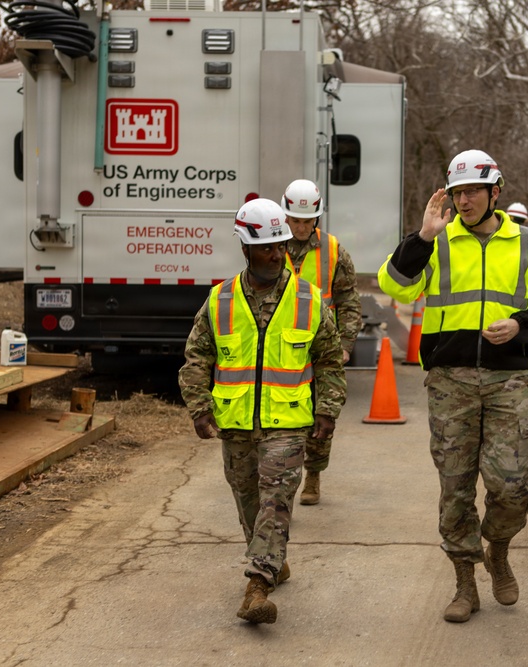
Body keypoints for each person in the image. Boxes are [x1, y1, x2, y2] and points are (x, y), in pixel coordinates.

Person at [378, 149, 528, 623]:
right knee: (455, 486)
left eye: (472, 192)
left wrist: (521, 325)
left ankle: (498, 547)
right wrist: (421, 237)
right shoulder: (436, 240)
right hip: (450, 382)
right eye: (457, 192)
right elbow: (394, 285)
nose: (463, 201)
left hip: (508, 381)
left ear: (494, 192)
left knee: (513, 484)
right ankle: (465, 583)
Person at [178, 198, 346, 625]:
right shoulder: (219, 300)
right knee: (249, 504)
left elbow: (327, 359)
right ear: (246, 249)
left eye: (282, 246)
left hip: (288, 426)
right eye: (268, 247)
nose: (277, 255)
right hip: (235, 426)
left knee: (275, 502)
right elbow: (197, 356)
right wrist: (199, 407)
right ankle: (274, 561)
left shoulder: (308, 299)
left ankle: (257, 587)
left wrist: (327, 409)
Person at [280, 178, 362, 506]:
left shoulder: (333, 250)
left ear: (317, 218)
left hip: (321, 348)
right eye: (295, 220)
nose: (300, 227)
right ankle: (280, 477)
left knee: (322, 415)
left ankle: (313, 475)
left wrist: (345, 344)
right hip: (281, 349)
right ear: (286, 217)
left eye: (306, 221)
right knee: (283, 418)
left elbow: (348, 300)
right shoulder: (270, 247)